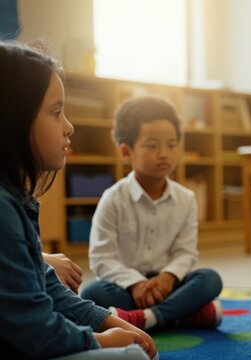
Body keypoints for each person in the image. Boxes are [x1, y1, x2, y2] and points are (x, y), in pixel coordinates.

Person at [0, 41, 157, 360]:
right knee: (133, 357)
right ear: (13, 119)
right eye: (56, 113)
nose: (69, 127)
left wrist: (112, 323)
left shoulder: (15, 201)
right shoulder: (3, 208)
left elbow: (49, 290)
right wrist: (102, 341)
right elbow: (35, 329)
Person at [80, 97, 223, 331]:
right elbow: (101, 258)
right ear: (127, 152)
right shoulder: (113, 198)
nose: (164, 154)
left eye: (171, 144)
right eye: (152, 146)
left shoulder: (186, 199)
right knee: (91, 292)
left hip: (169, 284)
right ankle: (183, 314)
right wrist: (135, 283)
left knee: (210, 279)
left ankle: (146, 318)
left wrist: (167, 278)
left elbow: (185, 253)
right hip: (127, 287)